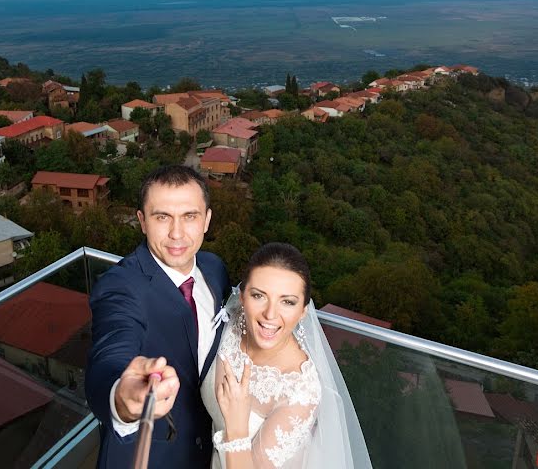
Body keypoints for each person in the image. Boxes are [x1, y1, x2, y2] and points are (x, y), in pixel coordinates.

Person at [86, 165, 231, 468]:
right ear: (141, 221)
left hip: (211, 450)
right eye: (162, 217)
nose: (176, 233)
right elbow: (111, 350)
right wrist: (121, 398)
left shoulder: (215, 269)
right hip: (151, 456)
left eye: (189, 216)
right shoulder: (120, 286)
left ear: (206, 220)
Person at [201, 243, 371, 469]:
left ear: (303, 311)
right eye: (259, 296)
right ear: (242, 297)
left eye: (287, 302)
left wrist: (236, 429)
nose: (270, 314)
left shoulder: (300, 391)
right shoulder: (233, 321)